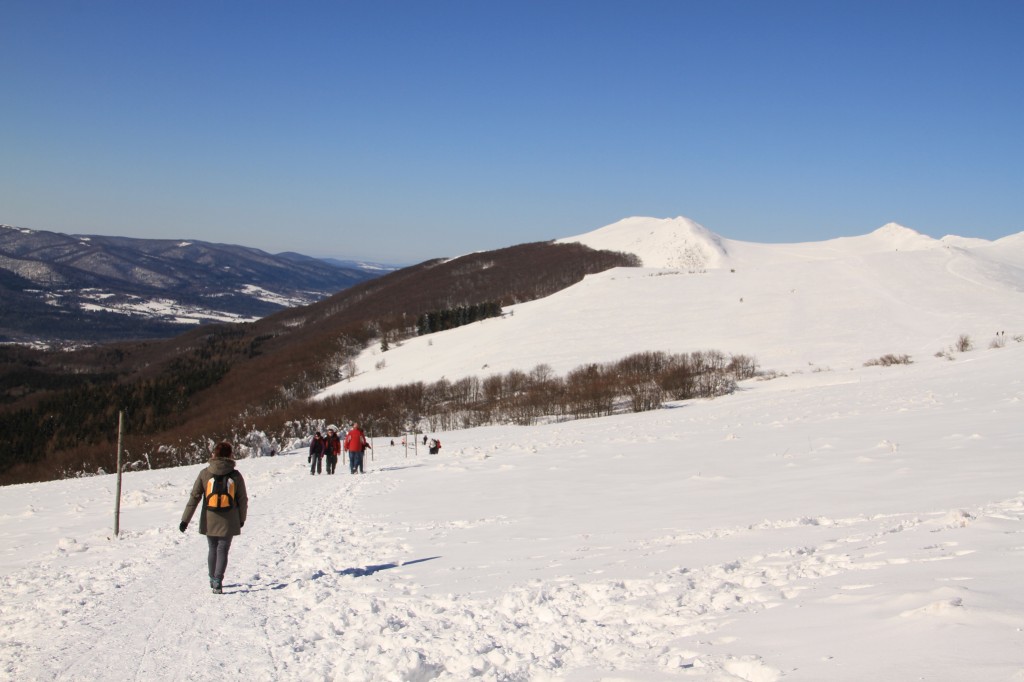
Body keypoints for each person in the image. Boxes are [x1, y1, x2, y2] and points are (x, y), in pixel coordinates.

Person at [179, 441, 248, 594]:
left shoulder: (205, 473)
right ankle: (218, 580)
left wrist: (185, 520)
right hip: (229, 519)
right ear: (230, 455)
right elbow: (243, 499)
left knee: (212, 548)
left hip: (209, 518)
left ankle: (212, 578)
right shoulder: (235, 475)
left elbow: (194, 497)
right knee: (223, 549)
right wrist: (241, 519)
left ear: (214, 454)